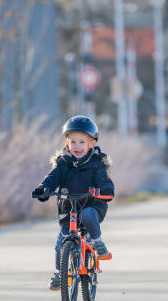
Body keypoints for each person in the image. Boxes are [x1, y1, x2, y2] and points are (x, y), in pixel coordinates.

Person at [32, 116, 115, 291]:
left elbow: (106, 184)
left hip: (92, 205)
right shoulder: (63, 163)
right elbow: (52, 178)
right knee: (62, 240)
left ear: (91, 143)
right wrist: (43, 189)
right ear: (67, 143)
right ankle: (61, 273)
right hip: (68, 207)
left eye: (81, 142)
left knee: (87, 215)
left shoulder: (96, 164)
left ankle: (97, 242)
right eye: (73, 142)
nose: (77, 146)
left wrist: (103, 191)